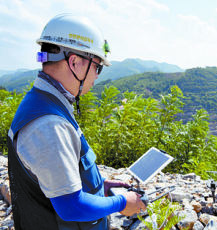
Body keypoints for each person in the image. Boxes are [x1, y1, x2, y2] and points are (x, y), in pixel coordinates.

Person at [7, 13, 146, 229]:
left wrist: (100, 186)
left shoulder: (44, 103)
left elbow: (55, 177)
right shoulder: (49, 125)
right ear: (75, 62)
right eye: (97, 67)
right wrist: (121, 202)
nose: (97, 75)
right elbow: (71, 206)